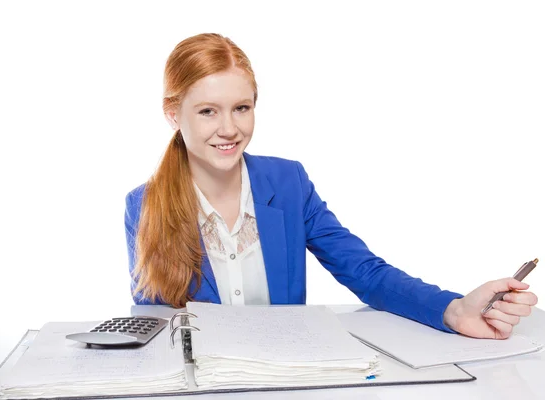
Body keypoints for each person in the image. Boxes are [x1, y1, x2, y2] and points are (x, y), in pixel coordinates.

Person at [124, 33, 538, 339]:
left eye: (242, 108)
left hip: (291, 379)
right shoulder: (144, 204)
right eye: (208, 111)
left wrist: (454, 309)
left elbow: (366, 273)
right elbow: (159, 329)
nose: (229, 128)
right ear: (173, 114)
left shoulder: (288, 183)